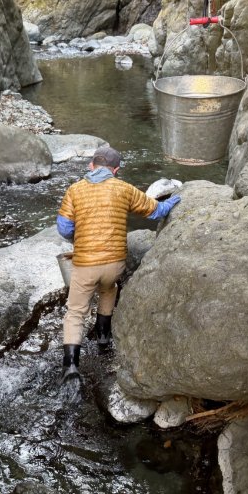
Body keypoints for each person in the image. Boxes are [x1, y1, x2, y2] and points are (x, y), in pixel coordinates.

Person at [56, 146, 181, 380]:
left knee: (75, 312)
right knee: (109, 288)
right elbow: (155, 212)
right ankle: (103, 336)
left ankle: (70, 366)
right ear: (116, 170)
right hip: (115, 263)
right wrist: (175, 200)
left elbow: (64, 229)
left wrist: (80, 233)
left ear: (91, 166)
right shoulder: (124, 189)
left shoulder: (74, 190)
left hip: (86, 264)